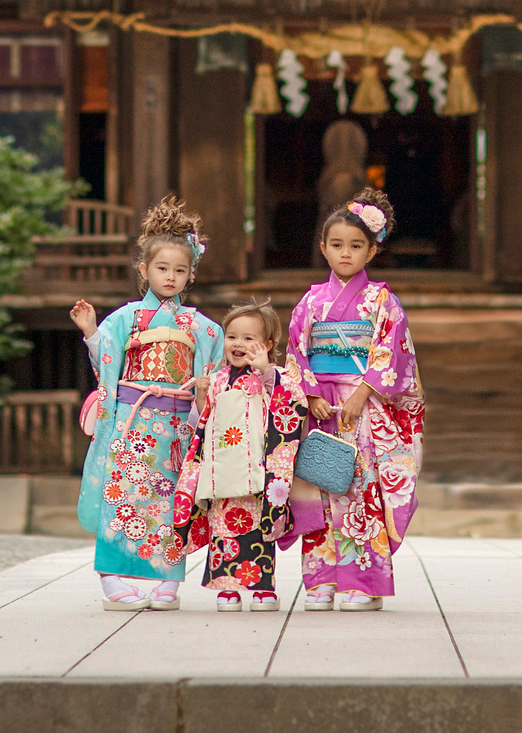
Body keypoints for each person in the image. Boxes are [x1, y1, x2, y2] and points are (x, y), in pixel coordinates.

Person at [71, 197, 224, 610]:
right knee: (122, 497)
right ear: (144, 270)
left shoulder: (202, 327)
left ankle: (167, 583)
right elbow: (107, 361)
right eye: (162, 268)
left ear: (191, 274)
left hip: (176, 428)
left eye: (179, 270)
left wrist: (208, 389)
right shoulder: (124, 319)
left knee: (172, 503)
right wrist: (90, 332)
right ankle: (113, 580)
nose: (170, 277)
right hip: (130, 423)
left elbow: (214, 375)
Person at [287, 186, 425, 611]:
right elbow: (296, 351)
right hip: (321, 407)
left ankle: (361, 583)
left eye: (356, 245)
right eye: (337, 245)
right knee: (318, 488)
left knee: (359, 489)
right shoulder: (310, 302)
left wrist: (363, 392)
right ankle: (320, 580)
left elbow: (391, 352)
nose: (345, 253)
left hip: (363, 409)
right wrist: (309, 394)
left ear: (371, 251)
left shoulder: (383, 301)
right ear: (323, 249)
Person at [174, 301, 306, 611]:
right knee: (223, 526)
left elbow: (293, 405)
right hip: (223, 467)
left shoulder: (274, 377)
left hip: (260, 466)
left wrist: (266, 373)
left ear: (268, 344)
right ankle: (227, 587)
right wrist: (204, 397)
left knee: (260, 528)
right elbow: (203, 422)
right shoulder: (218, 379)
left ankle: (262, 586)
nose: (239, 344)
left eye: (249, 338)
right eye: (232, 336)